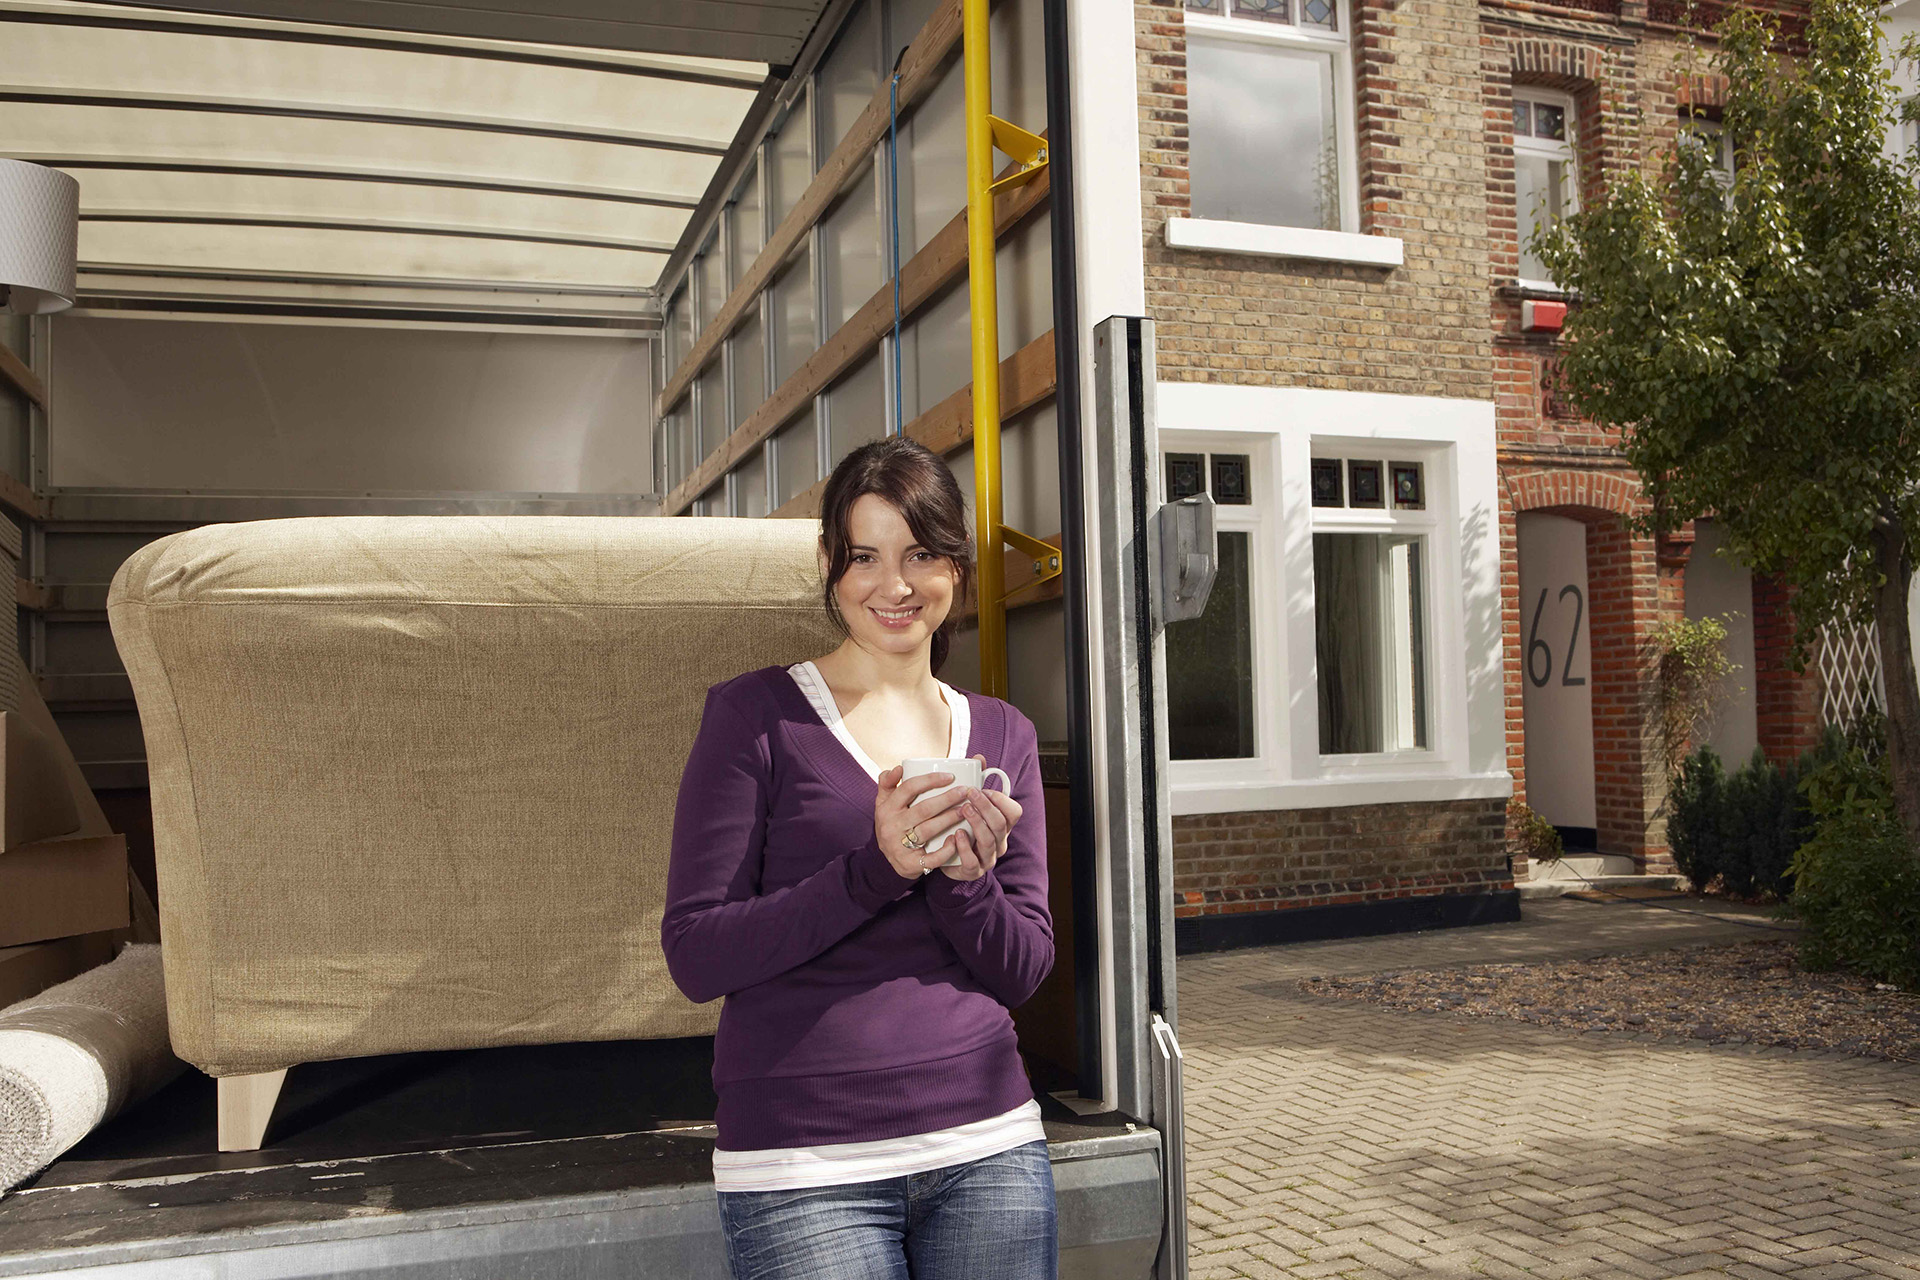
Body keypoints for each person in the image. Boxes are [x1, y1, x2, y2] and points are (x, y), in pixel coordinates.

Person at [661, 435, 1058, 1280]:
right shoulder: (757, 717)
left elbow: (1023, 968)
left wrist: (964, 880)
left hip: (989, 1148)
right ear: (830, 566)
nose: (895, 585)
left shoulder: (1001, 735)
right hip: (805, 1171)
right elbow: (697, 954)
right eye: (864, 557)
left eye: (920, 552)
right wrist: (877, 870)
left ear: (956, 564)